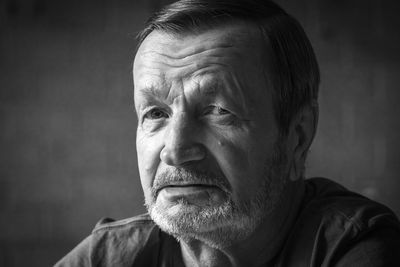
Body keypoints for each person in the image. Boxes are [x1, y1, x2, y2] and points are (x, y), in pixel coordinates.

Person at [55, 0, 400, 266]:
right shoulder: (108, 257)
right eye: (156, 113)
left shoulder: (355, 249)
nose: (174, 151)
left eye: (219, 111)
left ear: (297, 137)